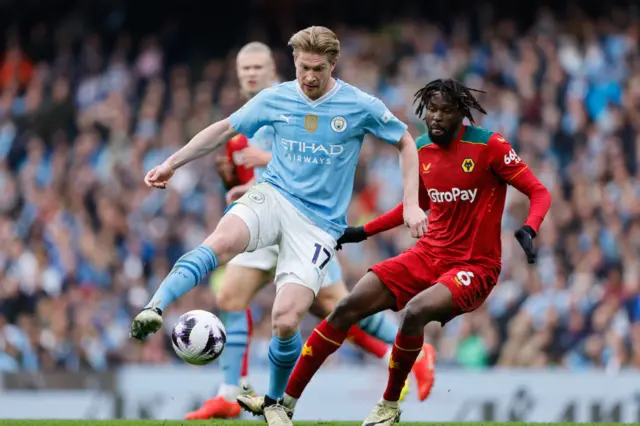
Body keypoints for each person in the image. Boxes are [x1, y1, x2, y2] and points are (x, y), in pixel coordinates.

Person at [129, 26, 428, 425]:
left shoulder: (359, 105)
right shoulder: (277, 98)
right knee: (222, 242)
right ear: (293, 63)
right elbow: (223, 129)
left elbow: (406, 141)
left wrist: (411, 203)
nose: (309, 77)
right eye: (303, 67)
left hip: (319, 227)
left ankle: (275, 402)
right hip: (273, 197)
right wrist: (171, 163)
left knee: (287, 319)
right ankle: (155, 306)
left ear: (332, 64)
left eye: (318, 69)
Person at [253, 79, 552, 426]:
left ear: (461, 114)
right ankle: (285, 403)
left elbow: (539, 192)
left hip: (475, 265)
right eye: (432, 110)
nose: (436, 118)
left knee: (414, 312)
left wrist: (529, 228)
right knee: (347, 307)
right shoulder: (421, 150)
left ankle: (389, 407)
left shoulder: (489, 146)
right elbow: (414, 205)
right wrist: (362, 232)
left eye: (445, 110)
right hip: (427, 254)